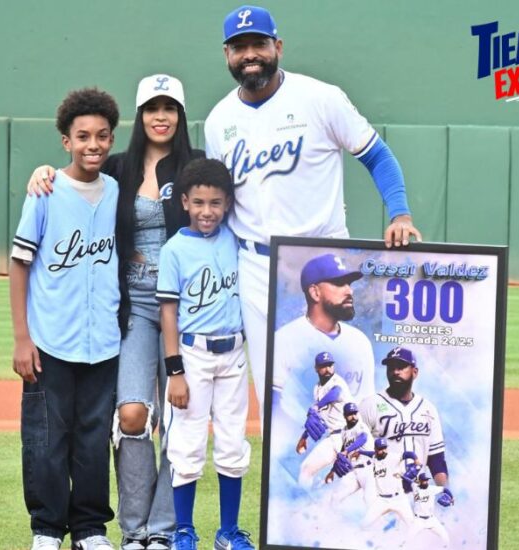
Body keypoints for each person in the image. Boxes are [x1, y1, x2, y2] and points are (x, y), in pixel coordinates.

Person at [204, 5, 423, 417]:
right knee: (276, 395)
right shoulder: (219, 121)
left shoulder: (320, 98)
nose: (250, 54)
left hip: (323, 260)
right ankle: (284, 478)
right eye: (239, 47)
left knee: (342, 387)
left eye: (259, 44)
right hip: (255, 267)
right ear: (227, 55)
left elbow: (377, 156)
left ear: (278, 47)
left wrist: (400, 214)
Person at [27, 75, 203, 550]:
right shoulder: (119, 168)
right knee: (130, 414)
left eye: (170, 107)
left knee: (181, 422)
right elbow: (76, 178)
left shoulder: (199, 167)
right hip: (136, 307)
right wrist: (44, 171)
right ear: (140, 115)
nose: (160, 116)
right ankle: (134, 530)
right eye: (151, 107)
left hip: (189, 308)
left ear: (181, 115)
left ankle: (164, 531)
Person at [10, 87, 121, 550]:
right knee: (47, 439)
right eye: (82, 137)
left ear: (112, 139)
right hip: (51, 339)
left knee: (94, 439)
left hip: (105, 342)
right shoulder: (46, 191)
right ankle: (47, 530)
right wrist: (22, 338)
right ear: (65, 141)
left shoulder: (117, 189)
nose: (92, 145)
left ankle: (91, 529)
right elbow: (19, 264)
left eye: (101, 136)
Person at [156, 158, 254, 550]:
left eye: (215, 202)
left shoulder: (236, 238)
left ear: (228, 203)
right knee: (188, 445)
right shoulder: (174, 249)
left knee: (232, 445)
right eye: (198, 202)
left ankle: (228, 532)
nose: (207, 211)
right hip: (192, 354)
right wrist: (174, 370)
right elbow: (168, 313)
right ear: (184, 202)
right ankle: (184, 530)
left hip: (234, 354)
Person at [272, 253, 375, 427]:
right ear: (315, 292)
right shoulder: (285, 339)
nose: (349, 291)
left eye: (349, 284)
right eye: (338, 283)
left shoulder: (360, 342)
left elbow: (366, 404)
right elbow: (275, 405)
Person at [358, 347, 450, 488]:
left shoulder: (428, 409)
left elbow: (436, 460)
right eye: (391, 368)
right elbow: (354, 448)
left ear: (415, 372)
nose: (395, 372)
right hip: (380, 491)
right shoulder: (369, 405)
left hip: (419, 494)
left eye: (401, 367)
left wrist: (444, 490)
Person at [295, 352, 353, 488]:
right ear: (316, 368)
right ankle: (302, 504)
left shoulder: (337, 382)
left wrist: (316, 406)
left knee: (356, 481)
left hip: (350, 437)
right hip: (334, 438)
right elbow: (317, 416)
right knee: (306, 469)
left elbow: (336, 393)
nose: (327, 369)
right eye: (323, 366)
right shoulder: (317, 388)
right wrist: (304, 437)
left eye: (330, 365)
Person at [405, 472, 454, 547]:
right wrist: (400, 476)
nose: (426, 482)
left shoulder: (432, 488)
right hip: (418, 520)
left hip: (431, 519)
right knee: (409, 538)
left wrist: (452, 497)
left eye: (426, 480)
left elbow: (445, 490)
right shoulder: (415, 486)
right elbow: (409, 481)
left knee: (445, 537)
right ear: (420, 481)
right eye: (424, 480)